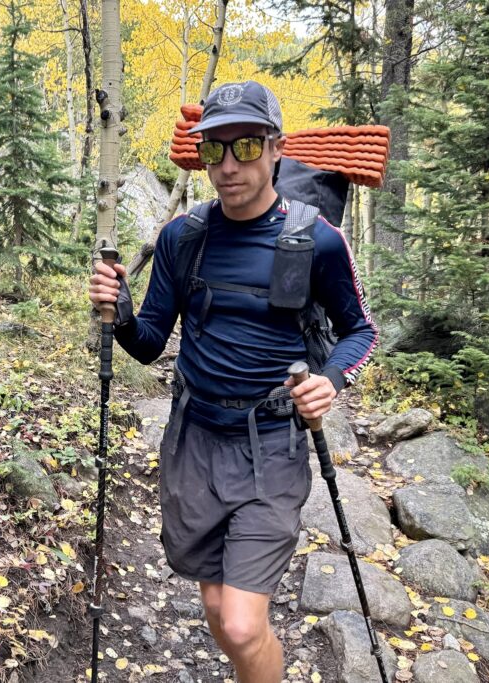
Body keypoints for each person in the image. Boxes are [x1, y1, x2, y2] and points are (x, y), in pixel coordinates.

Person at [88, 81, 378, 683]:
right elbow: (147, 345)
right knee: (222, 614)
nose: (227, 166)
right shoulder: (183, 239)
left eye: (245, 146)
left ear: (275, 149)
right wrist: (118, 313)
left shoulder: (317, 240)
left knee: (244, 624)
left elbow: (361, 332)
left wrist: (330, 380)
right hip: (194, 441)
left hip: (270, 447)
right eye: (214, 149)